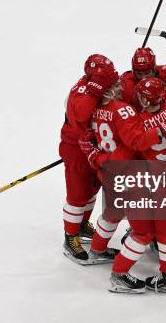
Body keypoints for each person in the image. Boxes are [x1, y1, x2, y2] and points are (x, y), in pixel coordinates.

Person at [72, 78, 163, 266]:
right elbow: (136, 142)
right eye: (114, 85)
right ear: (108, 91)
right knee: (144, 231)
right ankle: (120, 274)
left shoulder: (95, 110)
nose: (120, 86)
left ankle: (97, 250)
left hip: (108, 176)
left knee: (112, 213)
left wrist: (97, 158)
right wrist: (158, 131)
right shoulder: (123, 110)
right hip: (128, 177)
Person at [59, 54, 119, 263]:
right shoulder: (81, 91)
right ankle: (70, 237)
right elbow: (82, 115)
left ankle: (82, 225)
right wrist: (96, 88)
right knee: (77, 195)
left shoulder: (102, 86)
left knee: (92, 190)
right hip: (76, 150)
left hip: (94, 150)